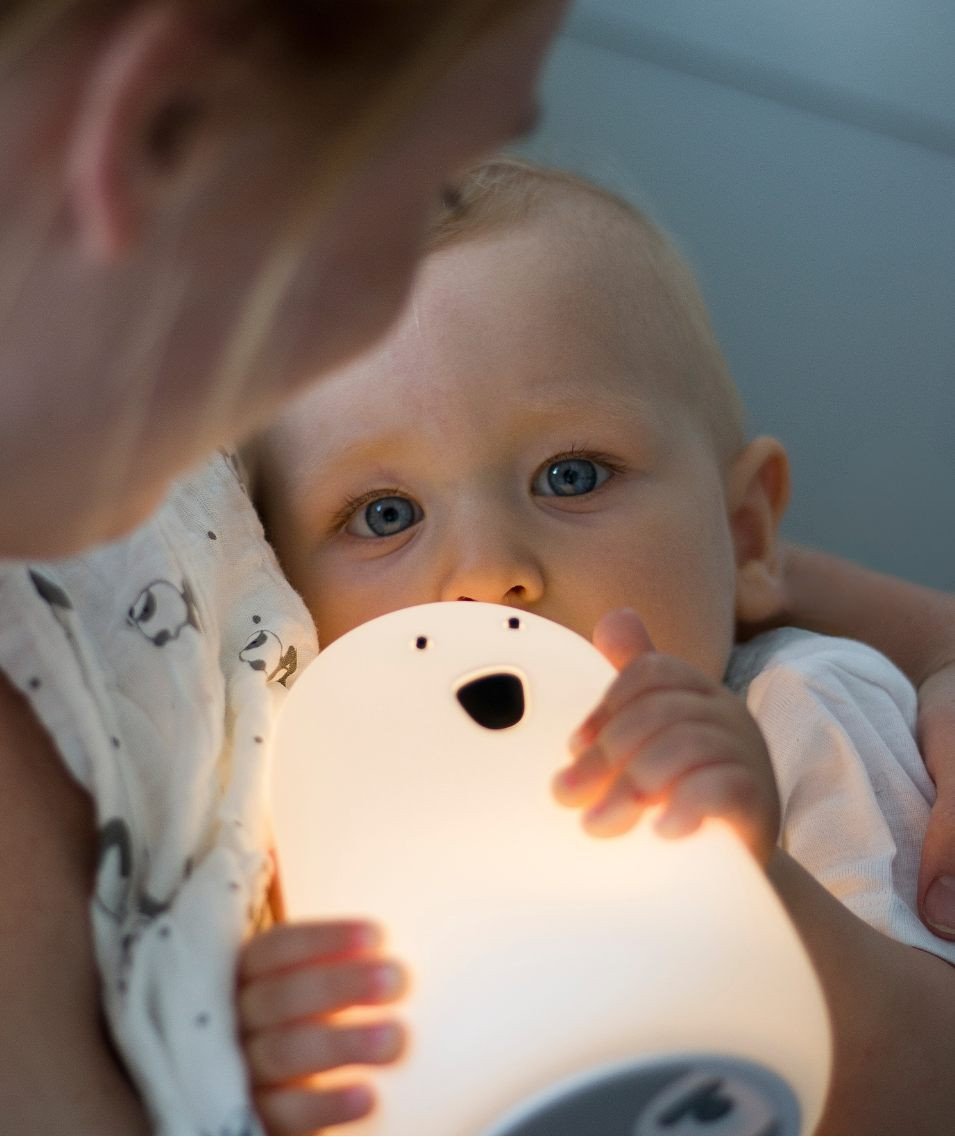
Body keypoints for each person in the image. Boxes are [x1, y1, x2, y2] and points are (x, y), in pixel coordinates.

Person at [247, 158, 955, 1133]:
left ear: (746, 535)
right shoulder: (331, 827)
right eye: (384, 512)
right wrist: (302, 1064)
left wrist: (753, 881)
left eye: (571, 475)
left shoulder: (799, 716)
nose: (487, 574)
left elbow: (933, 1085)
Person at [0, 4, 569, 1133]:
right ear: (168, 119)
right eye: (433, 195)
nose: (488, 579)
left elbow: (654, 504)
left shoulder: (164, 472)